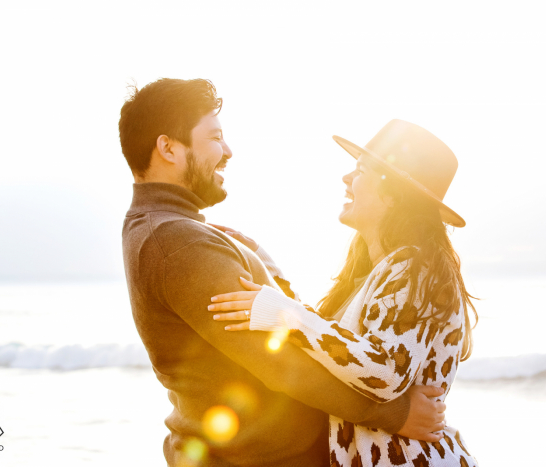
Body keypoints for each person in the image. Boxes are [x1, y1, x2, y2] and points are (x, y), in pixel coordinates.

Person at [118, 79, 448, 467]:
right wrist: (396, 414)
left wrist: (263, 261)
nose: (228, 151)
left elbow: (297, 328)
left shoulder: (169, 231)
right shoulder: (176, 240)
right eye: (215, 137)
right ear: (168, 147)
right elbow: (277, 360)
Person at [209, 120, 479, 466]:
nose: (346, 179)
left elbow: (385, 374)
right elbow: (333, 342)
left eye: (361, 170)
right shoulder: (381, 268)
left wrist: (285, 315)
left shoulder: (415, 266)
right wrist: (264, 263)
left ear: (393, 192)